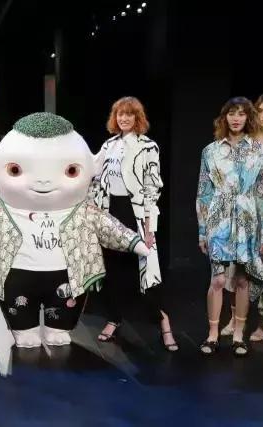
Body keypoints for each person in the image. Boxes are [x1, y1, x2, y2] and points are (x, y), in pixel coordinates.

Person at [93, 96, 178, 351]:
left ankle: (164, 322)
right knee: (113, 272)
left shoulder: (148, 147)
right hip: (111, 213)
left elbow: (153, 188)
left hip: (136, 214)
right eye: (120, 114)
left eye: (129, 114)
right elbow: (96, 180)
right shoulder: (108, 145)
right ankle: (114, 318)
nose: (124, 118)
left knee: (146, 272)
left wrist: (150, 227)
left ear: (137, 117)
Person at [196, 97, 263, 357]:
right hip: (219, 218)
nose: (236, 118)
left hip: (247, 219)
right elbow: (204, 193)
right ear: (224, 117)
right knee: (217, 279)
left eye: (241, 113)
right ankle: (213, 334)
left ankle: (239, 335)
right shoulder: (211, 151)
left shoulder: (260, 151)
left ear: (248, 117)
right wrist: (202, 231)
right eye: (231, 113)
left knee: (242, 279)